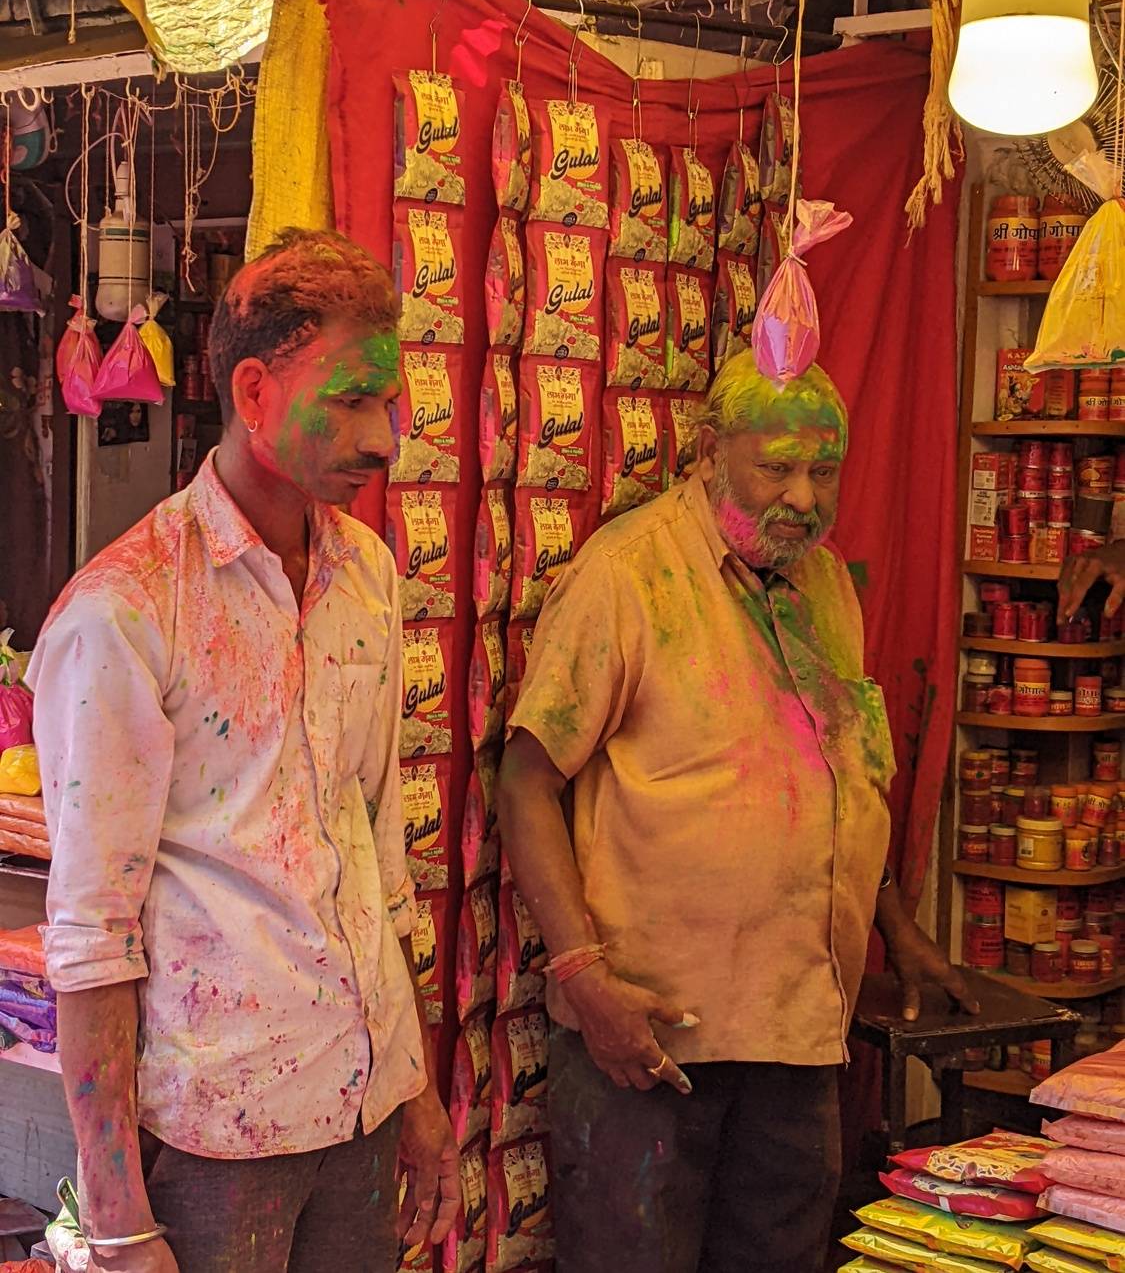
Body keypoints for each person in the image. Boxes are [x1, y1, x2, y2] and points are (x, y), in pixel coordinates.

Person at [27, 229, 457, 1273]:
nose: (383, 440)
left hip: (359, 1103)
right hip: (214, 1133)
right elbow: (91, 936)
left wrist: (414, 1091)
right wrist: (118, 1221)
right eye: (348, 402)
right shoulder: (126, 610)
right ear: (255, 393)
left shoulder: (366, 574)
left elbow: (374, 858)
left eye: (388, 402)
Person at [497, 349, 976, 1273]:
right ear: (709, 452)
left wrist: (896, 928)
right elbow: (527, 781)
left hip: (798, 1029)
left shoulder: (824, 583)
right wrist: (584, 978)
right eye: (776, 467)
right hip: (650, 1036)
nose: (801, 497)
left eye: (823, 472)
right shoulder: (629, 574)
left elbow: (844, 778)